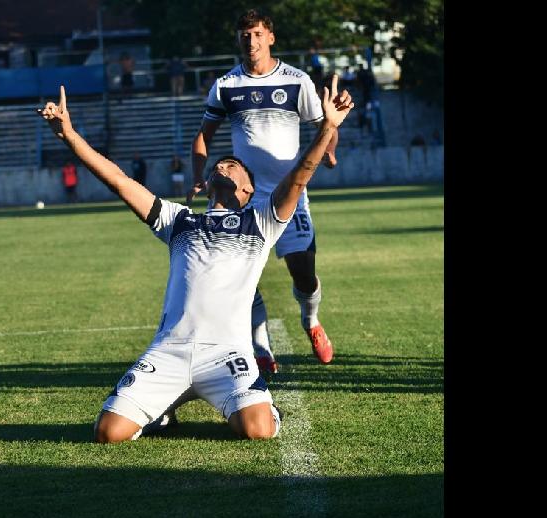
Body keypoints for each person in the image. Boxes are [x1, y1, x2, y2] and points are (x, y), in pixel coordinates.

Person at [36, 78, 353, 443]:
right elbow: (121, 183)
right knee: (108, 433)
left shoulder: (261, 222)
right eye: (222, 162)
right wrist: (70, 136)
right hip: (168, 351)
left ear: (249, 190)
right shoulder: (178, 219)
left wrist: (327, 128)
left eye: (234, 165)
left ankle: (263, 405)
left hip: (227, 356)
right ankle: (163, 413)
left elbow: (298, 180)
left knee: (258, 430)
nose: (226, 164)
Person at [188, 9, 341, 375]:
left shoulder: (296, 80)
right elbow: (203, 136)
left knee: (304, 274)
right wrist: (197, 176)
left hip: (290, 195)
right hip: (246, 198)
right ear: (238, 39)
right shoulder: (226, 85)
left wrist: (331, 149)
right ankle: (260, 349)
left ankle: (311, 321)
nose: (251, 41)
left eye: (257, 34)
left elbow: (327, 123)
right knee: (244, 275)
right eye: (245, 34)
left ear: (270, 37)